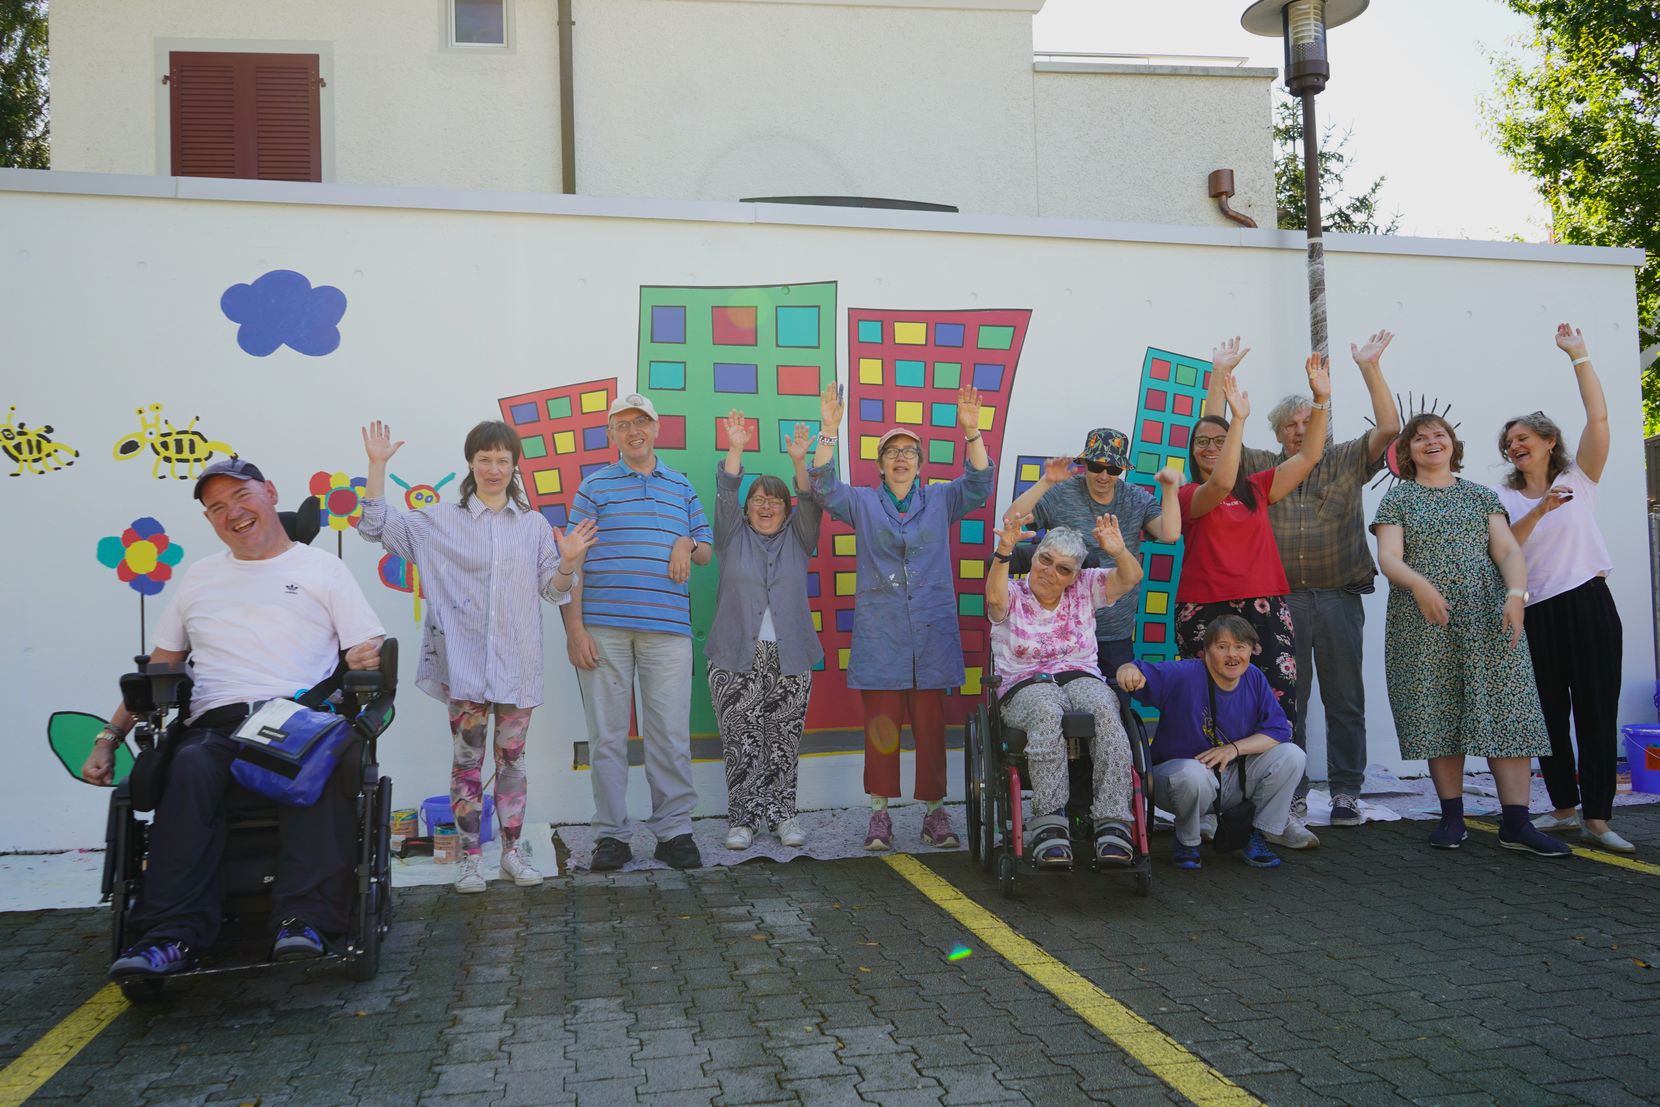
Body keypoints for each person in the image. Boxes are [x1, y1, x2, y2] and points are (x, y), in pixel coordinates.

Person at [81, 459, 386, 977]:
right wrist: (110, 737)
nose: (232, 512)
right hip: (215, 726)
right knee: (190, 765)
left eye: (241, 496)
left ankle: (303, 921)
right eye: (216, 507)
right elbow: (160, 669)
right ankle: (169, 935)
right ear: (210, 521)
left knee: (318, 762)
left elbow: (366, 646)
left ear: (269, 492)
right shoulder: (200, 577)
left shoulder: (321, 569)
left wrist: (368, 657)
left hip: (295, 722)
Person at [358, 420, 596, 893]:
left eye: (502, 460)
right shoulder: (437, 521)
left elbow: (553, 592)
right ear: (471, 463)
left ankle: (510, 852)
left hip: (517, 666)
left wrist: (568, 561)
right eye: (484, 459)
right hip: (464, 665)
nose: (493, 468)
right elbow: (374, 526)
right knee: (466, 765)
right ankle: (470, 859)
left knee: (513, 762)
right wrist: (377, 466)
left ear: (514, 466)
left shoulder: (531, 527)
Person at [1204, 331, 1402, 829]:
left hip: (1338, 597)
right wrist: (1218, 374)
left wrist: (1369, 366)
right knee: (1286, 702)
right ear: (1276, 435)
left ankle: (1346, 793)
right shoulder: (1260, 468)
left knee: (1345, 700)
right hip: (1279, 602)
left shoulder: (1345, 459)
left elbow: (1390, 427)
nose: (1298, 431)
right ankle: (1289, 792)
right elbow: (1212, 434)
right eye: (1288, 425)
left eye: (1306, 422)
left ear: (1320, 422)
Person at [1371, 413, 1569, 856]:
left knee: (1508, 708)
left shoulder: (1481, 497)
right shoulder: (1398, 501)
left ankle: (1516, 823)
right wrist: (1421, 585)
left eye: (1439, 435)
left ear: (1453, 444)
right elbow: (1390, 557)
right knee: (1438, 710)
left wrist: (1516, 593)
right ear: (1408, 452)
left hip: (1488, 617)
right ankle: (1452, 817)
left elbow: (1507, 550)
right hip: (1424, 620)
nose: (1431, 442)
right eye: (1420, 438)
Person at [808, 381, 993, 851]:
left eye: (909, 451)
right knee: (882, 731)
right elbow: (823, 488)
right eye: (891, 451)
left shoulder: (940, 500)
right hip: (882, 637)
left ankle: (934, 814)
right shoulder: (864, 503)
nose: (901, 458)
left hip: (931, 635)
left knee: (932, 730)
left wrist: (972, 433)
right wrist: (830, 429)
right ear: (880, 464)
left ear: (920, 462)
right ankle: (879, 816)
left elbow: (979, 484)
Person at [1177, 347, 1328, 851]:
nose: (1210, 447)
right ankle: (1205, 814)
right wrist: (1228, 403)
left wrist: (1322, 399)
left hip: (1265, 606)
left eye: (1219, 441)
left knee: (1278, 706)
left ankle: (1277, 816)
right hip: (1206, 608)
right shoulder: (1186, 497)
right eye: (1201, 442)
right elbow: (1220, 478)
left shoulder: (1259, 489)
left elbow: (1308, 455)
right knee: (1205, 708)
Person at [563, 393, 714, 871]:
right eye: (623, 424)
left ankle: (674, 832)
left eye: (641, 422)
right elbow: (573, 561)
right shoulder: (594, 487)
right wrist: (575, 630)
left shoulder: (682, 486)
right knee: (607, 736)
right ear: (612, 434)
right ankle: (612, 834)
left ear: (656, 428)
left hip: (668, 631)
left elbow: (707, 548)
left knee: (669, 734)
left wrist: (686, 542)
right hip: (603, 630)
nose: (633, 431)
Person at [1494, 325, 1629, 852]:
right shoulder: (1503, 498)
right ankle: (1563, 810)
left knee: (1596, 707)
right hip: (1536, 610)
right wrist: (1542, 509)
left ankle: (1598, 818)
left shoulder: (1581, 476)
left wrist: (1579, 355)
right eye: (1509, 443)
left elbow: (1599, 417)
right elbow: (1507, 549)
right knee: (1546, 713)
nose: (1515, 446)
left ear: (1549, 441)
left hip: (1589, 603)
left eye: (1524, 438)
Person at [986, 514, 1144, 866]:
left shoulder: (1086, 587)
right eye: (1045, 560)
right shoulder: (1012, 591)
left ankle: (1113, 821)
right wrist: (1004, 552)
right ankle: (1049, 823)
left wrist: (1119, 551)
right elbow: (995, 602)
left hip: (1079, 676)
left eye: (1063, 569)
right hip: (1024, 684)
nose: (1050, 572)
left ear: (1074, 575)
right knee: (1046, 711)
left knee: (1106, 708)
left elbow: (1131, 577)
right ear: (1035, 555)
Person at [707, 416, 823, 850]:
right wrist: (735, 451)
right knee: (741, 739)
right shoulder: (730, 534)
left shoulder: (800, 537)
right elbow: (725, 492)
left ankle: (783, 816)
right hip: (734, 655)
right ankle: (742, 819)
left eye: (774, 499)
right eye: (757, 499)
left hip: (790, 655)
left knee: (783, 741)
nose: (766, 505)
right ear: (746, 507)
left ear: (786, 508)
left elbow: (810, 501)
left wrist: (800, 462)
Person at [1115, 615, 1306, 871]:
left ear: (1252, 650)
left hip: (1231, 777)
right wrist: (1127, 670)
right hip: (1176, 780)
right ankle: (1187, 841)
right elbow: (1135, 671)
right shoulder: (1185, 673)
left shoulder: (1254, 678)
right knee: (1192, 773)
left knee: (1292, 755)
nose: (1232, 655)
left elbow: (1278, 731)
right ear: (1205, 652)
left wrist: (1234, 749)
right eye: (1222, 646)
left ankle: (1256, 834)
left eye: (1240, 647)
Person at [1000, 427, 1180, 695]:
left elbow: (1170, 533)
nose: (1104, 475)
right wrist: (1046, 482)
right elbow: (1012, 518)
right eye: (1097, 466)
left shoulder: (1135, 498)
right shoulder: (1062, 494)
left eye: (1114, 469)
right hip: (1062, 629)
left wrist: (1169, 490)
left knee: (1116, 709)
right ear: (1084, 463)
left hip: (1114, 628)